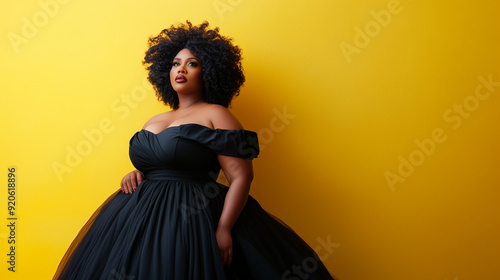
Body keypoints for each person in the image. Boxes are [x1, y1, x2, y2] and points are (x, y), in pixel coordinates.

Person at [53, 20, 336, 280]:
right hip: (136, 217)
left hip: (191, 216)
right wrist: (136, 172)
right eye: (176, 63)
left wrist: (224, 228)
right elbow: (157, 160)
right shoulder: (154, 120)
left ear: (210, 72)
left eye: (192, 63)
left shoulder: (217, 114)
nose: (181, 69)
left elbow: (240, 177)